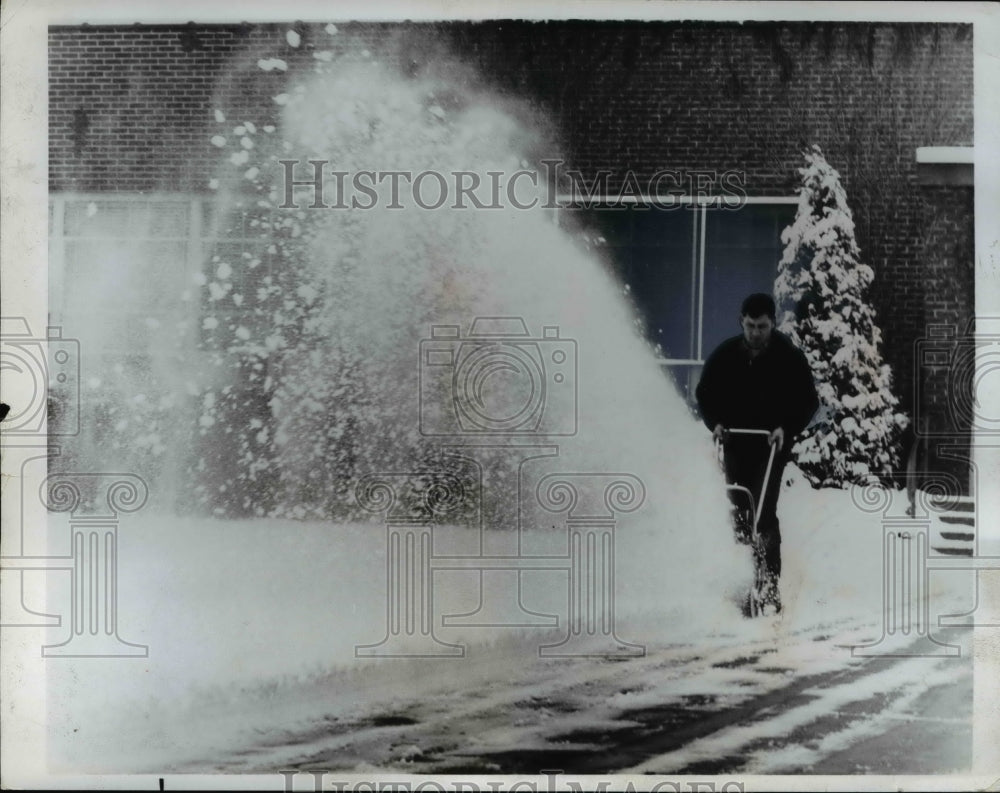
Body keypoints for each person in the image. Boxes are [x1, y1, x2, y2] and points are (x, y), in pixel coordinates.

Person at [695, 293, 818, 615]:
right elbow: (705, 394)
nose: (755, 333)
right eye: (750, 326)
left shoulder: (789, 358)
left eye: (761, 326)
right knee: (737, 512)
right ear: (742, 321)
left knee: (763, 515)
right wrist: (716, 424)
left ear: (772, 324)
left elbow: (808, 401)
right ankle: (740, 580)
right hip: (735, 443)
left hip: (770, 446)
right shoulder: (725, 356)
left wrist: (785, 428)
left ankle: (770, 584)